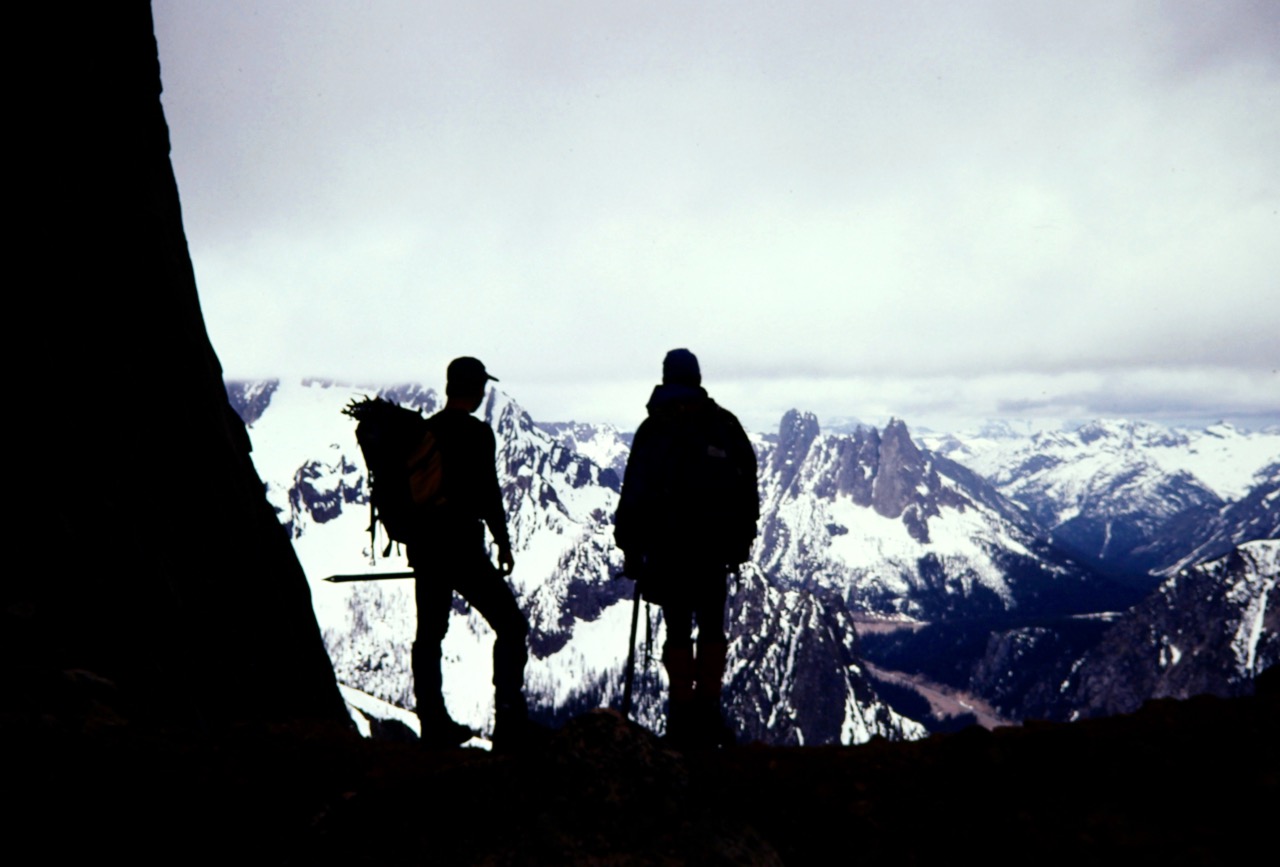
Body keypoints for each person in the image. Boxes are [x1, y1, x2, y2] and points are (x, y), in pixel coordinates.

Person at [615, 349, 759, 748]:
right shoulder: (724, 425)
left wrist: (630, 548)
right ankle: (709, 713)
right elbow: (747, 483)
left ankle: (680, 719)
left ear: (666, 378)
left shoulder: (654, 429)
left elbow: (635, 493)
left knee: (678, 629)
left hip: (667, 550)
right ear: (696, 377)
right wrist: (742, 539)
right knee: (712, 627)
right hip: (713, 550)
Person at [408, 357, 533, 751]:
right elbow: (487, 491)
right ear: (476, 390)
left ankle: (433, 723)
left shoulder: (424, 431)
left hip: (425, 548)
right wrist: (503, 541)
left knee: (429, 635)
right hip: (462, 547)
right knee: (510, 626)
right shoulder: (477, 434)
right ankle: (509, 722)